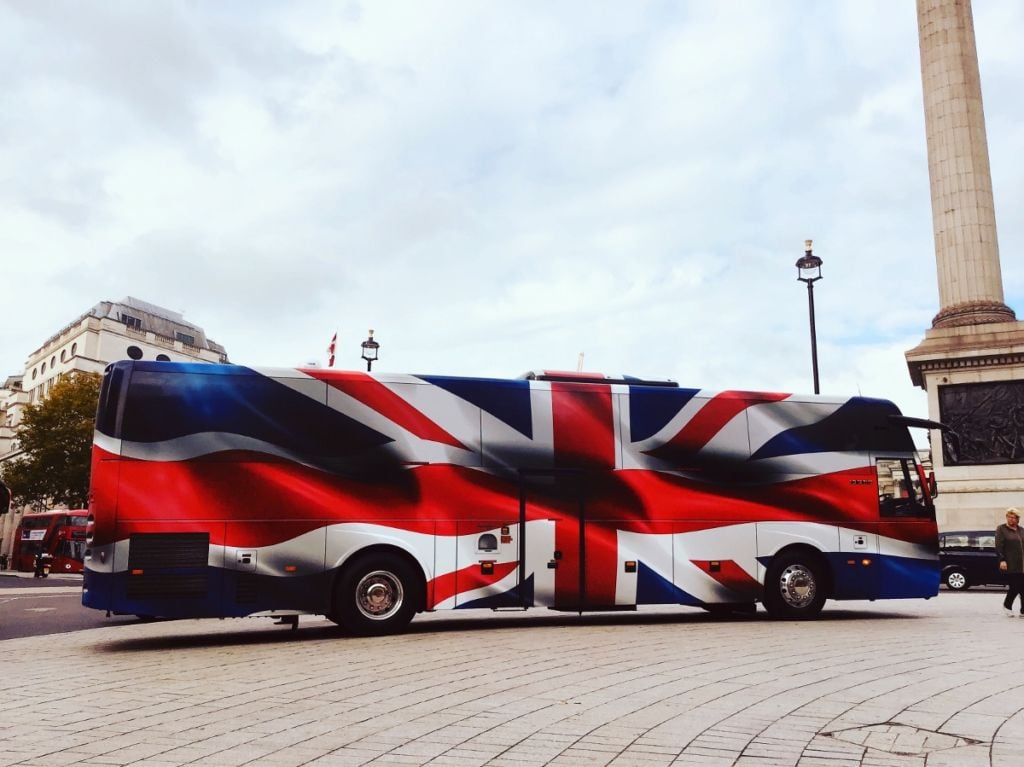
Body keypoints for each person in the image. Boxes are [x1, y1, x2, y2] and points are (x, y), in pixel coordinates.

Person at [995, 507, 1024, 617]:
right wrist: (1002, 560)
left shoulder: (1021, 530)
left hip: (1023, 564)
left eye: (1013, 517)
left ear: (1018, 519)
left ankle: (1023, 610)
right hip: (1011, 563)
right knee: (1015, 586)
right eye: (1009, 517)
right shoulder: (1002, 529)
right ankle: (1007, 605)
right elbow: (999, 546)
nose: (1011, 519)